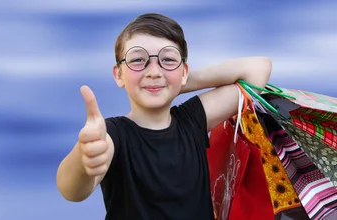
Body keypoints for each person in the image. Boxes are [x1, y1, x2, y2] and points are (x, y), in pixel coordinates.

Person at [55, 13, 272, 219]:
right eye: (138, 60)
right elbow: (71, 191)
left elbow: (257, 70)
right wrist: (84, 160)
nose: (154, 71)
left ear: (184, 70)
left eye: (167, 60)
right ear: (119, 74)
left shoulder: (193, 119)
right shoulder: (113, 134)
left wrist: (174, 83)